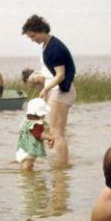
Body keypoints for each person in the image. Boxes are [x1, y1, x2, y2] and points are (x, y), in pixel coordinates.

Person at [22, 14, 76, 167]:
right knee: (50, 130)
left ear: (41, 30)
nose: (32, 40)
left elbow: (60, 75)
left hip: (61, 92)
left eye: (33, 36)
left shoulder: (55, 48)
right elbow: (49, 73)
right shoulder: (47, 45)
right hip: (57, 92)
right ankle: (56, 165)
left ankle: (62, 169)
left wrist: (46, 88)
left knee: (57, 134)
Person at [15, 97, 54, 171]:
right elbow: (38, 134)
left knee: (28, 163)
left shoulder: (27, 121)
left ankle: (27, 173)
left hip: (22, 148)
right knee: (27, 165)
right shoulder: (36, 124)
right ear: (40, 114)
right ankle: (26, 175)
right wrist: (49, 137)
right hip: (30, 149)